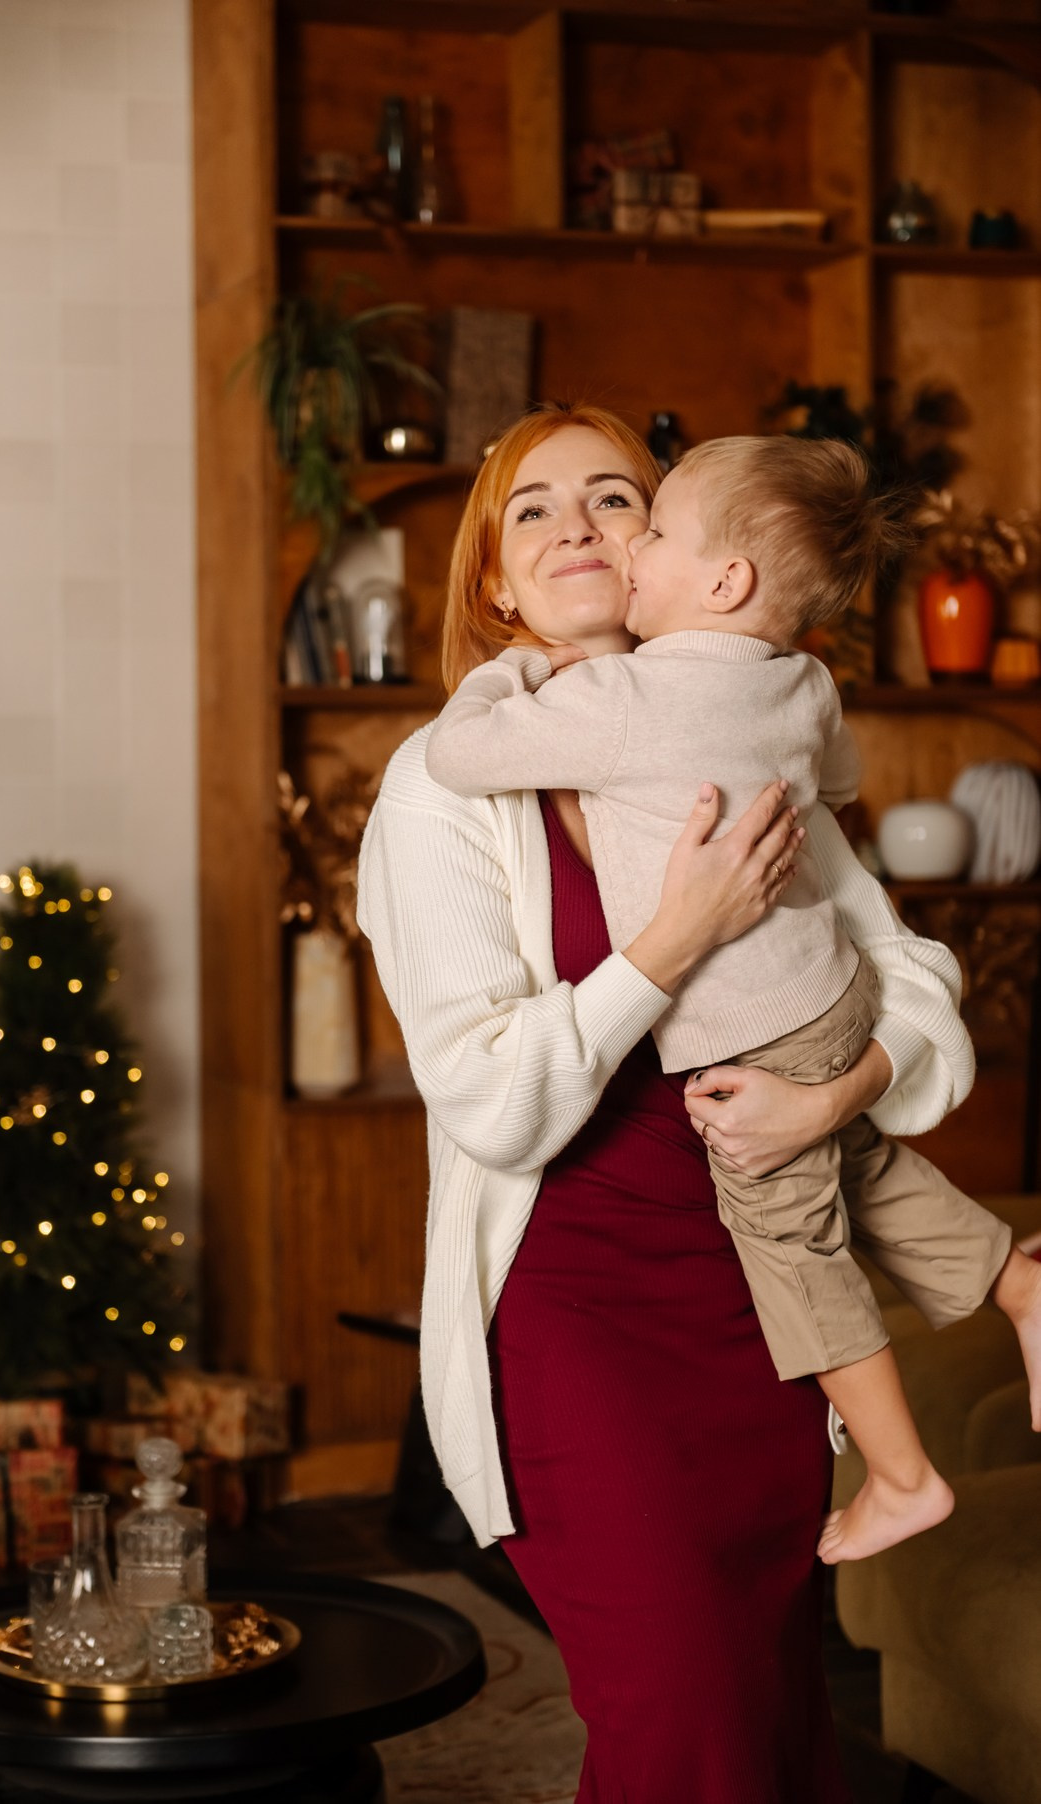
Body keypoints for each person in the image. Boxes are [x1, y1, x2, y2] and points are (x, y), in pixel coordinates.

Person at [355, 402, 1030, 1802]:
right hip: (575, 1313)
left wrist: (835, 1089)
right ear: (494, 577)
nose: (580, 528)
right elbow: (490, 1099)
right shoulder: (442, 792)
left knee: (773, 1724)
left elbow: (910, 978)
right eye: (531, 509)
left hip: (765, 1311)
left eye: (618, 499)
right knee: (688, 1727)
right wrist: (673, 939)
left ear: (685, 553)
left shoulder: (741, 726)